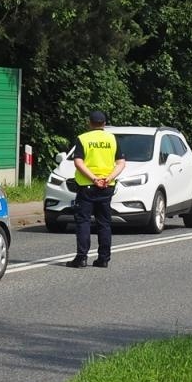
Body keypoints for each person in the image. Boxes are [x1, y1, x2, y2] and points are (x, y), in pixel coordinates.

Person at [66, 109, 124, 268]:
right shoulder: (112, 139)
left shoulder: (83, 139)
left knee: (83, 222)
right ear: (104, 124)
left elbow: (78, 162)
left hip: (87, 186)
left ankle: (82, 258)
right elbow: (121, 163)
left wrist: (94, 178)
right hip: (107, 186)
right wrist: (109, 178)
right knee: (104, 223)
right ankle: (104, 259)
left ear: (89, 122)